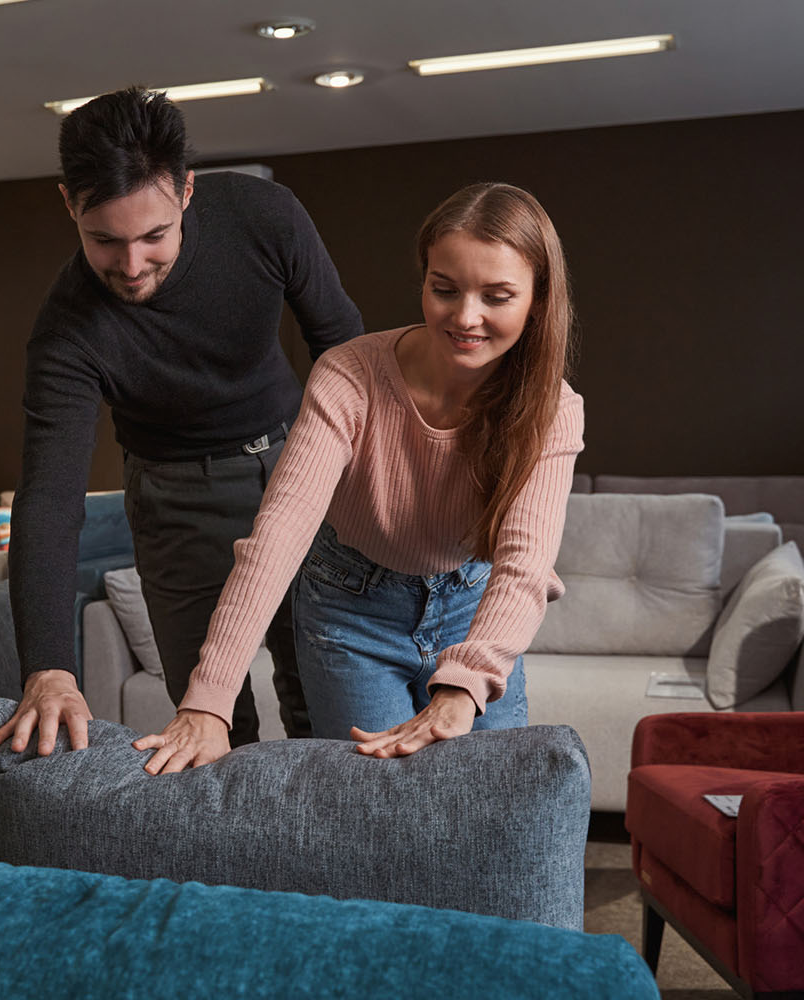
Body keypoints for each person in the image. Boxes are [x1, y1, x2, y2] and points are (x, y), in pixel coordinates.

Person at [134, 181, 584, 774]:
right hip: (351, 612)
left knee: (488, 799)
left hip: (473, 608)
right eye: (444, 289)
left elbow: (524, 564)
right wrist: (209, 701)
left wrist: (465, 683)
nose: (465, 317)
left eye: (497, 296)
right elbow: (279, 536)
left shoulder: (553, 407)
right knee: (373, 807)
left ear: (538, 299)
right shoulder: (350, 375)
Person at [0, 87, 363, 758]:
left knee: (321, 701)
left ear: (187, 190)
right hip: (173, 499)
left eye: (153, 236)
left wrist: (364, 482)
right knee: (209, 725)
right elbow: (50, 497)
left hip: (298, 466)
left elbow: (344, 349)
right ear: (69, 204)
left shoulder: (264, 215)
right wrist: (48, 668)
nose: (132, 267)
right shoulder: (67, 332)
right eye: (105, 240)